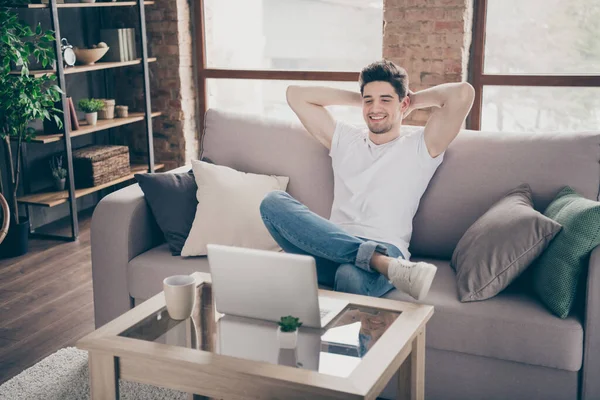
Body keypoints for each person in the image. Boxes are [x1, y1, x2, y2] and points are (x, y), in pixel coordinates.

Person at [259, 60, 475, 301]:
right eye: (369, 100)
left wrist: (412, 101)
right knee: (272, 202)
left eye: (385, 99)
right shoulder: (346, 140)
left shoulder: (421, 146)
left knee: (350, 275)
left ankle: (376, 259)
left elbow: (462, 93)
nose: (375, 108)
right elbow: (295, 95)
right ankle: (378, 261)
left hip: (387, 246)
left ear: (403, 103)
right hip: (328, 245)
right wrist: (361, 98)